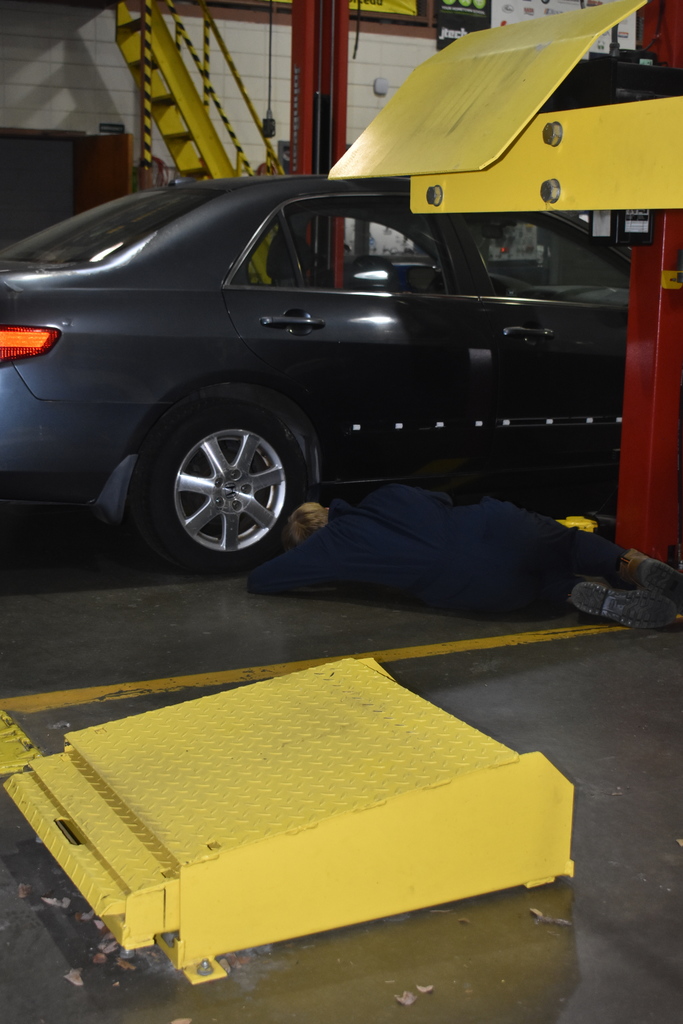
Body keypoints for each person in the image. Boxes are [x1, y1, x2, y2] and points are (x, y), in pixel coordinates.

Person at [248, 485, 683, 629]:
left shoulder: (329, 549)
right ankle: (630, 563)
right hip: (499, 527)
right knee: (568, 544)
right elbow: (441, 499)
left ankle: (577, 594)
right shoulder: (387, 496)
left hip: (478, 589)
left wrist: (315, 568)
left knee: (532, 587)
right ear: (326, 509)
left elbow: (261, 580)